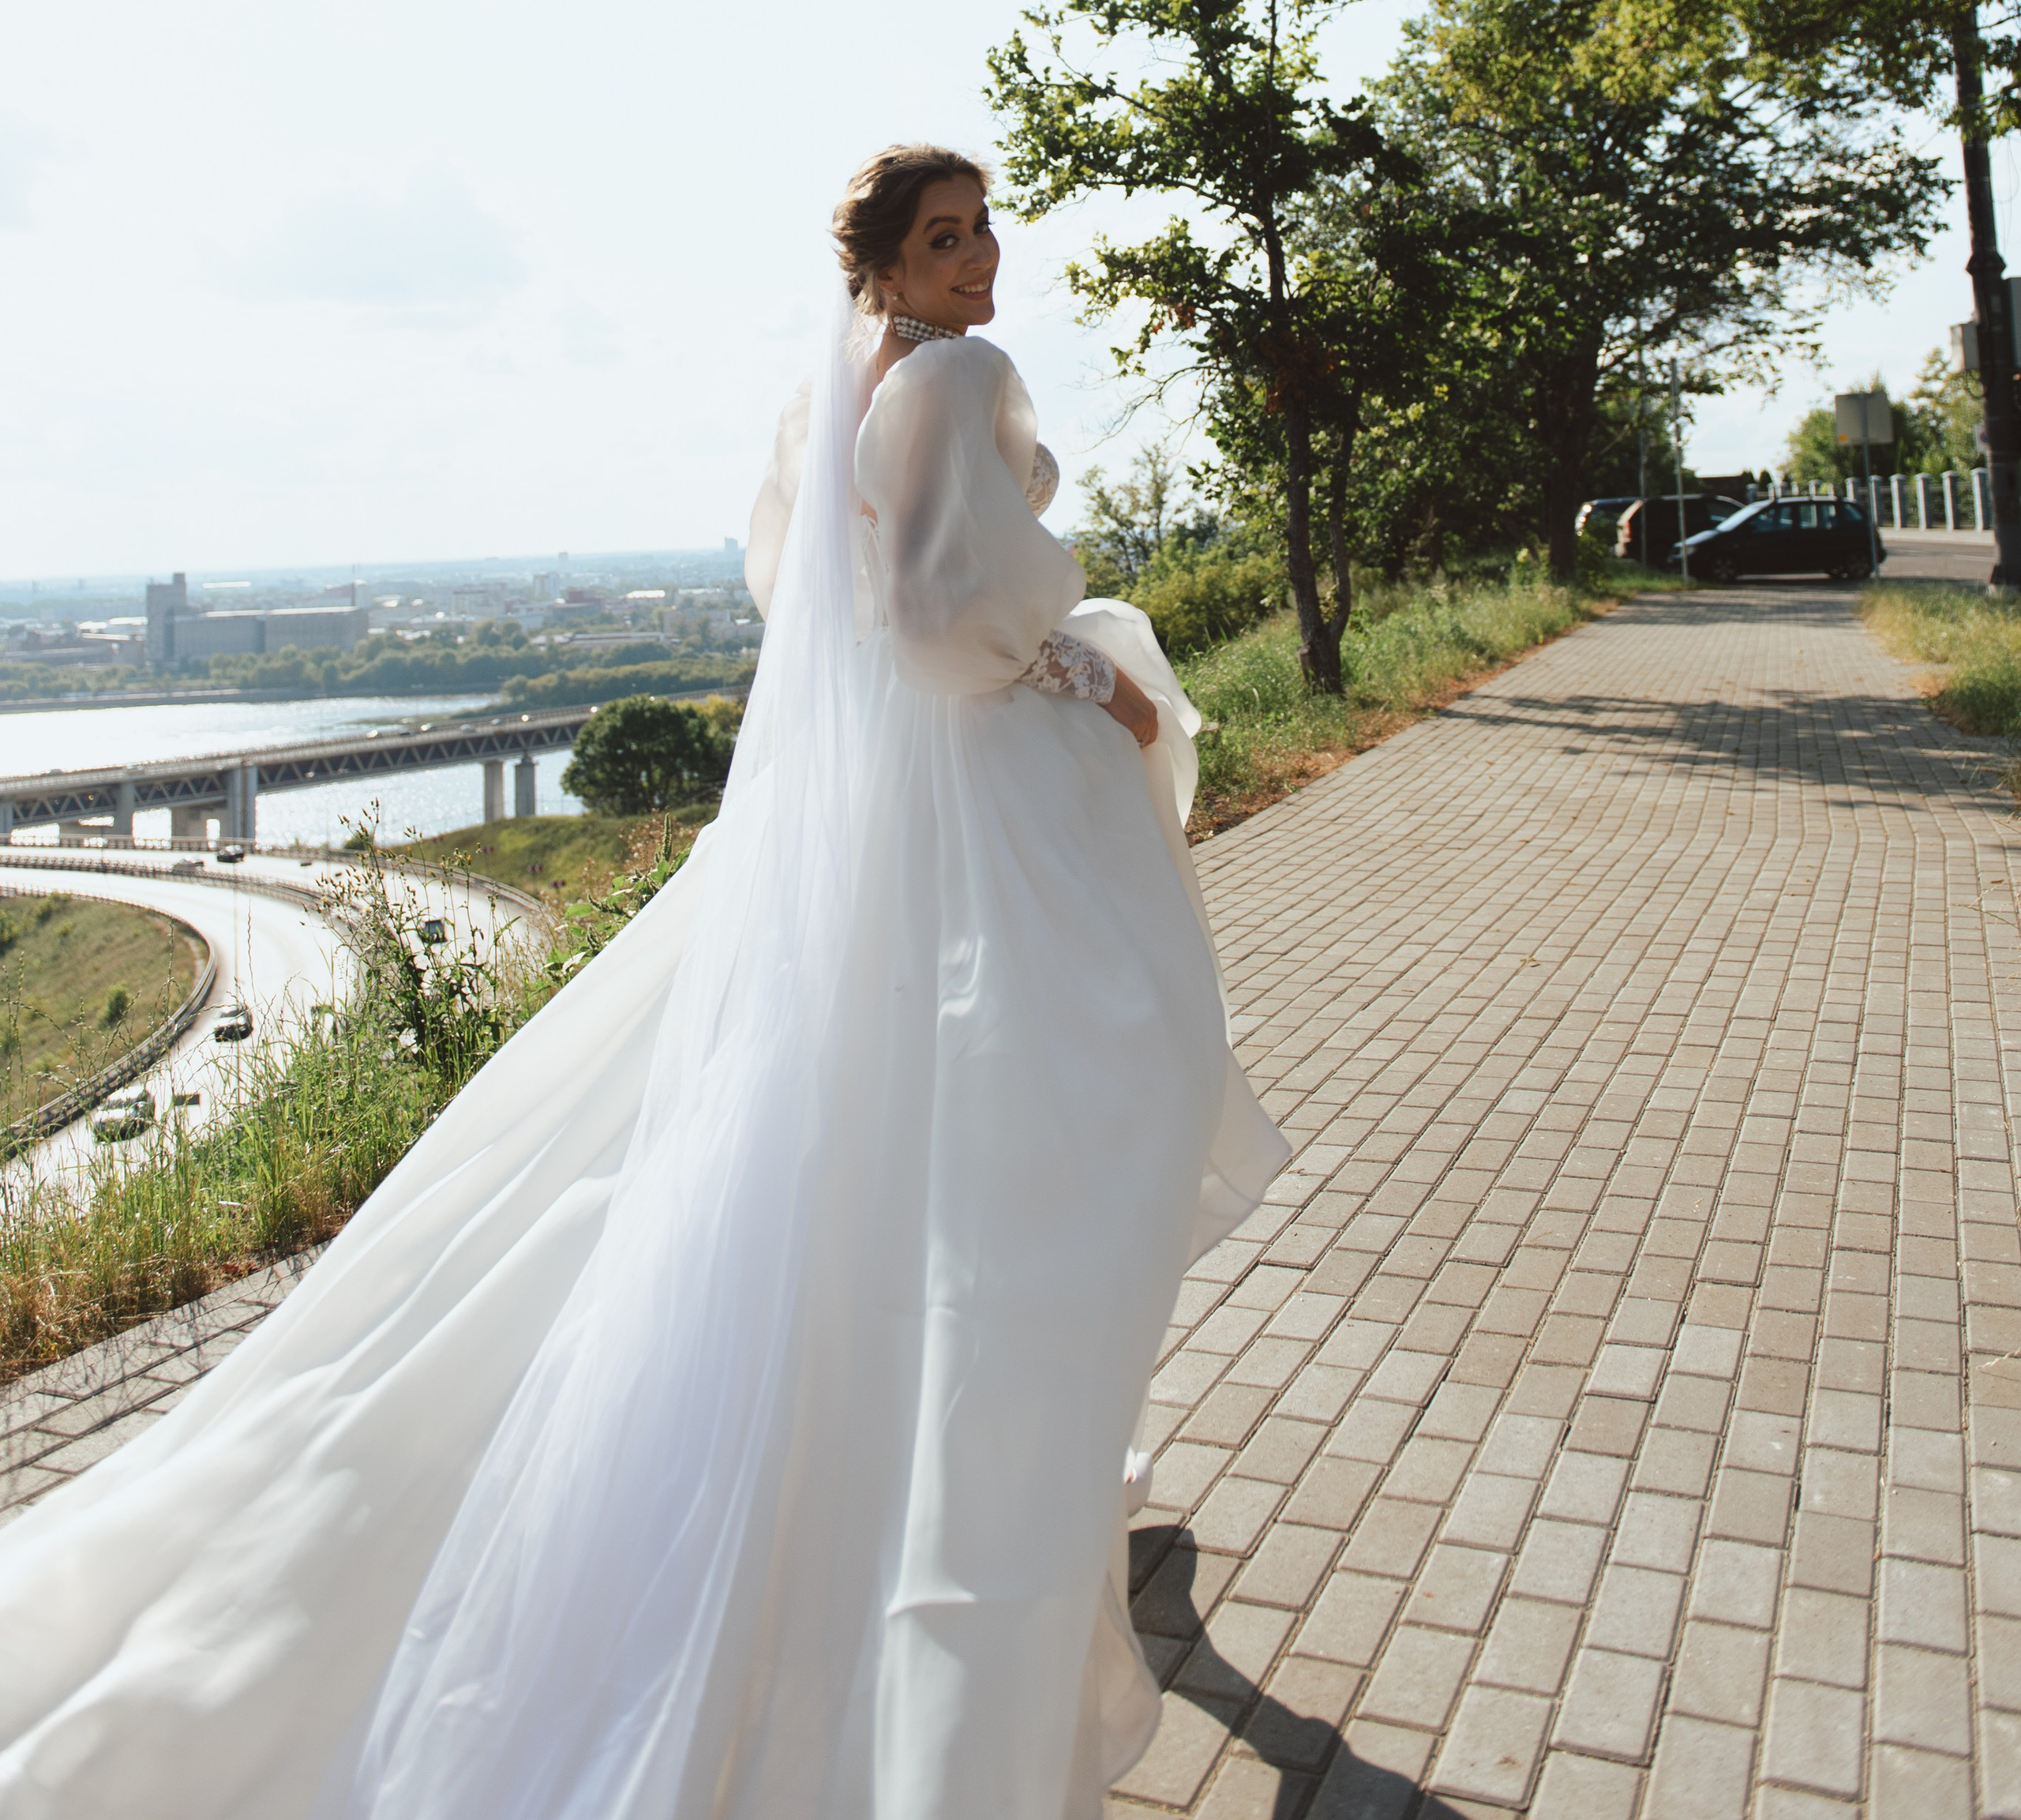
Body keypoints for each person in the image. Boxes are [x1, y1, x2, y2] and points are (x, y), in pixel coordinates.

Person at [0, 144, 1284, 1820]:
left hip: (866, 814)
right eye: (946, 237)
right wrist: (1085, 679)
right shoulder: (956, 373)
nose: (984, 262)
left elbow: (789, 580)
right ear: (886, 267)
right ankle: (998, 1493)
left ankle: (975, 1466)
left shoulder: (825, 390)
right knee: (1060, 1121)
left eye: (984, 229)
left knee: (872, 1132)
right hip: (975, 800)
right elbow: (920, 616)